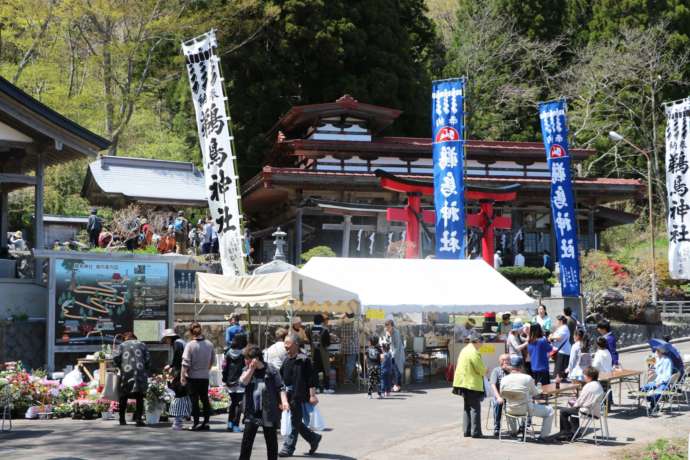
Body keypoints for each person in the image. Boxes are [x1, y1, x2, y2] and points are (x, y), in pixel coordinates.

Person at [239, 344, 289, 460]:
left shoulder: (271, 370)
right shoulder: (247, 370)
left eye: (247, 358)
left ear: (256, 358)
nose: (245, 361)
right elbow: (242, 383)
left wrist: (284, 401)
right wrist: (251, 369)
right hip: (251, 411)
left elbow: (280, 387)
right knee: (246, 443)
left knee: (271, 443)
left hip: (268, 411)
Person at [279, 334, 322, 457]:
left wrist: (312, 395)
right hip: (288, 395)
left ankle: (288, 448)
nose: (285, 346)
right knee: (295, 421)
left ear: (296, 344)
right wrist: (281, 398)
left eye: (288, 343)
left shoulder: (304, 359)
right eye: (284, 343)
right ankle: (313, 438)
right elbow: (281, 378)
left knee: (294, 421)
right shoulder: (286, 359)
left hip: (299, 395)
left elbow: (311, 379)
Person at [499, 362, 554, 442]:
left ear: (511, 367)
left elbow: (502, 394)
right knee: (550, 410)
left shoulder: (504, 379)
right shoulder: (527, 378)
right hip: (525, 409)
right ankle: (543, 437)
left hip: (509, 409)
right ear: (521, 367)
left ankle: (514, 432)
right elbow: (535, 393)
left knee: (512, 406)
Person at [181, 322, 215, 431]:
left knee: (194, 401)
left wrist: (183, 376)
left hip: (193, 377)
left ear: (191, 333)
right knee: (205, 399)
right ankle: (206, 422)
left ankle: (196, 423)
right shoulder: (209, 344)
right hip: (204, 376)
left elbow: (185, 362)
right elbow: (212, 361)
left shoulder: (190, 345)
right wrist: (205, 370)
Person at [453, 334, 487, 438]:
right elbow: (480, 369)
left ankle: (466, 431)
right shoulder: (474, 352)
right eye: (481, 342)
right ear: (477, 341)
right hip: (471, 383)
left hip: (462, 382)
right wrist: (486, 370)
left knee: (467, 407)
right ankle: (475, 432)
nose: (482, 344)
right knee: (475, 408)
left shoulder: (464, 349)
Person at [556, 366, 604, 440]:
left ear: (589, 377)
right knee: (573, 409)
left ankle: (565, 433)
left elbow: (580, 402)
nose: (583, 377)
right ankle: (574, 431)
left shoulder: (588, 386)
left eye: (584, 375)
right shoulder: (598, 384)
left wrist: (574, 403)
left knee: (563, 411)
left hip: (588, 411)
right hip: (595, 410)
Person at [113, 332, 149, 426]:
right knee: (139, 397)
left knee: (123, 395)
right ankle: (138, 420)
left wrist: (119, 366)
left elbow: (116, 357)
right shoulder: (142, 344)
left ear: (125, 338)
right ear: (135, 338)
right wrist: (145, 368)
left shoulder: (122, 345)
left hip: (126, 372)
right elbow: (148, 359)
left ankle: (122, 420)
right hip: (140, 372)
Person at [162, 328, 189, 431]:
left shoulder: (177, 344)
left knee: (178, 393)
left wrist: (171, 366)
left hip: (182, 371)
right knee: (184, 394)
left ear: (170, 338)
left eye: (166, 339)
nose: (166, 341)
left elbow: (178, 357)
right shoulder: (181, 342)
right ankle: (185, 416)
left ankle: (178, 421)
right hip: (185, 371)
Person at [224, 333, 248, 432]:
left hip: (230, 380)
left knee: (232, 404)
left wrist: (225, 379)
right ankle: (235, 426)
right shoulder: (244, 354)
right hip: (240, 381)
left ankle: (229, 425)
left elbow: (224, 367)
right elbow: (246, 367)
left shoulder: (228, 352)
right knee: (238, 403)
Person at [639, 344, 674, 410]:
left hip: (664, 383)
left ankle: (653, 404)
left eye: (657, 351)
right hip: (656, 381)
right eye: (656, 351)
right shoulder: (658, 359)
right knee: (642, 389)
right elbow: (652, 366)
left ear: (661, 352)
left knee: (658, 391)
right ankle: (653, 401)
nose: (655, 353)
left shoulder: (667, 361)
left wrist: (660, 383)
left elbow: (668, 376)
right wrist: (651, 369)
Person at [308, 314, 332, 393]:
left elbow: (309, 340)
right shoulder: (325, 330)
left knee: (315, 371)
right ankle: (326, 388)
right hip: (323, 353)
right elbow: (327, 343)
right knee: (326, 370)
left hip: (314, 353)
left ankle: (316, 388)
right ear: (322, 321)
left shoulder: (309, 329)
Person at [489, 354, 511, 437]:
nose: (505, 361)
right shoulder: (496, 370)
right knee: (497, 403)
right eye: (503, 360)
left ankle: (519, 427)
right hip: (500, 395)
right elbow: (493, 385)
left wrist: (511, 371)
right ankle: (497, 427)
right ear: (500, 361)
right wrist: (498, 397)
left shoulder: (514, 370)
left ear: (510, 361)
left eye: (507, 360)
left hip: (511, 396)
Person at [382, 319, 405, 392]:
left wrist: (392, 356)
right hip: (390, 353)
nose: (387, 328)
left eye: (388, 327)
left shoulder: (396, 333)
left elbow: (397, 346)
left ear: (392, 326)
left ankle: (398, 386)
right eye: (386, 327)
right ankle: (392, 385)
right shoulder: (387, 332)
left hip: (397, 353)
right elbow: (387, 343)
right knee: (390, 370)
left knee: (397, 369)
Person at [338, 312, 358, 384]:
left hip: (343, 346)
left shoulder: (342, 322)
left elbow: (337, 323)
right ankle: (347, 379)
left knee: (344, 363)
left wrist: (341, 317)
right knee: (350, 363)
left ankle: (343, 378)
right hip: (352, 346)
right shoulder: (355, 323)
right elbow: (363, 329)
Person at [549, 315, 571, 379]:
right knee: (559, 372)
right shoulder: (561, 328)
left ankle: (561, 386)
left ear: (561, 321)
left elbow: (559, 337)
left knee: (559, 374)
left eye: (557, 321)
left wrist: (551, 337)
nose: (556, 322)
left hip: (563, 352)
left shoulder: (564, 328)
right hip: (560, 352)